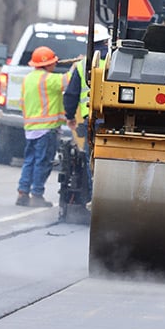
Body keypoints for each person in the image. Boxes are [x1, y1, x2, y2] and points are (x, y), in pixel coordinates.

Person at [63, 27, 110, 200]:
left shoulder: (83, 65)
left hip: (90, 120)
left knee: (93, 161)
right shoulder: (118, 61)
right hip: (116, 121)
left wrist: (69, 117)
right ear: (107, 41)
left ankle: (95, 201)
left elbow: (71, 94)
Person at [16, 45, 65, 207]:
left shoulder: (27, 79)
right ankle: (37, 195)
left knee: (29, 160)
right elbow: (70, 80)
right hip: (46, 129)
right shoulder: (49, 79)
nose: (55, 65)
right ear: (47, 64)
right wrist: (79, 63)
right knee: (42, 162)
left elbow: (22, 103)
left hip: (30, 129)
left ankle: (22, 193)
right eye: (53, 62)